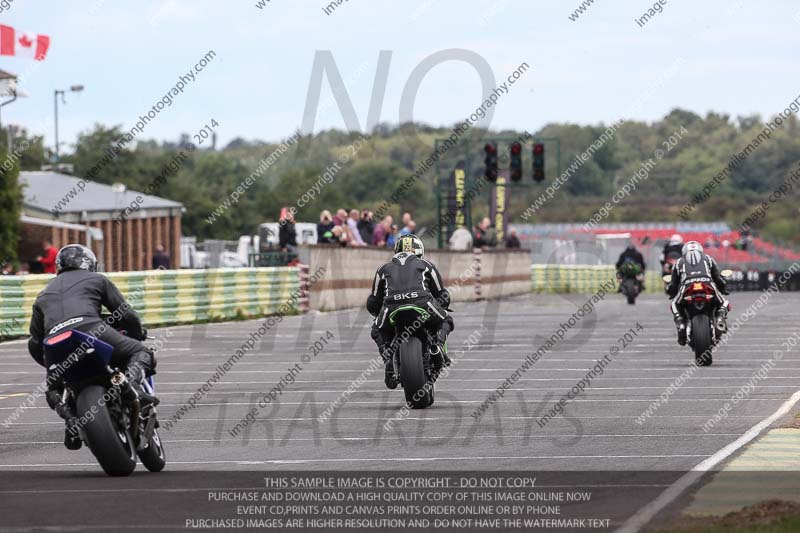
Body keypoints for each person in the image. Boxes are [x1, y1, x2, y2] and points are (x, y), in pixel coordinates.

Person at [27, 244, 157, 450]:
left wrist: (50, 364)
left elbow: (34, 341)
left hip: (54, 342)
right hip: (90, 329)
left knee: (53, 388)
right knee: (140, 352)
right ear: (90, 263)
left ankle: (70, 420)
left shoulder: (42, 295)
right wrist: (137, 333)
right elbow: (126, 315)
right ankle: (135, 389)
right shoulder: (97, 279)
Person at [366, 234, 455, 389]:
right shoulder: (427, 265)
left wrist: (377, 313)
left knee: (376, 330)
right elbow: (443, 295)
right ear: (419, 250)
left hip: (392, 306)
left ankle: (388, 359)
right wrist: (443, 305)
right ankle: (437, 347)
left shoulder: (382, 269)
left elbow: (373, 302)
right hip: (423, 303)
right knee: (446, 319)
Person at [666, 241, 730, 346]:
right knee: (723, 301)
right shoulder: (709, 259)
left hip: (687, 287)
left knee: (674, 303)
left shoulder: (678, 262)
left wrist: (670, 292)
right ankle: (719, 319)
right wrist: (723, 288)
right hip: (707, 285)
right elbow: (718, 279)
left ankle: (681, 324)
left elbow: (673, 284)